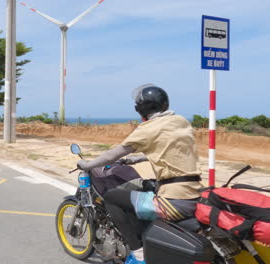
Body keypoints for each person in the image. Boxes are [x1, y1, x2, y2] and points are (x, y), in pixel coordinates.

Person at [77, 84, 204, 264]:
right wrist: (136, 159)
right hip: (196, 193)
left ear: (142, 108)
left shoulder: (148, 128)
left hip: (173, 203)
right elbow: (169, 148)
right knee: (146, 185)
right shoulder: (181, 121)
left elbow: (113, 154)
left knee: (113, 197)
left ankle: (138, 251)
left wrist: (88, 164)